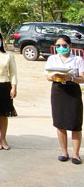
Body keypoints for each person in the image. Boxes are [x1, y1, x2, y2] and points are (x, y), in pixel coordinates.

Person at [45, 35, 84, 164]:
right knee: (59, 122)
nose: (61, 48)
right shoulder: (52, 59)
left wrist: (71, 78)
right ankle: (64, 152)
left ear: (69, 45)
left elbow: (82, 78)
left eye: (64, 45)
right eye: (58, 46)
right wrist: (54, 77)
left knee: (75, 123)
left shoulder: (77, 59)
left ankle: (76, 154)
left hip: (72, 91)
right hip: (58, 91)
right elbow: (47, 76)